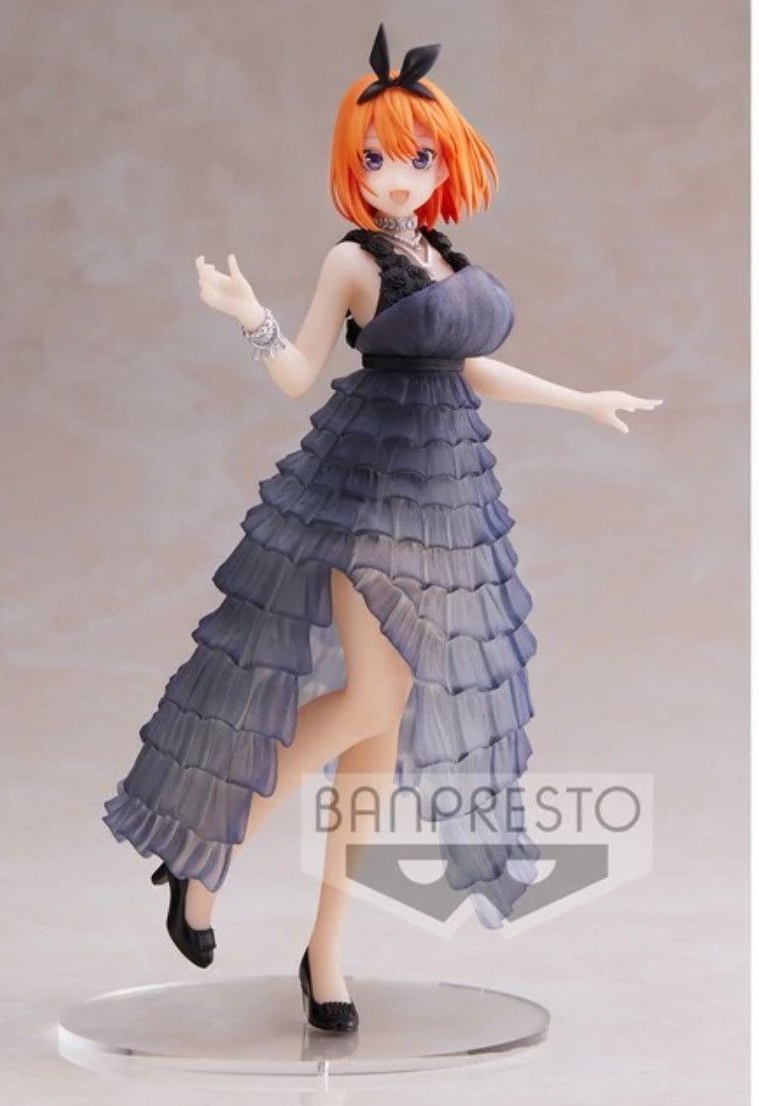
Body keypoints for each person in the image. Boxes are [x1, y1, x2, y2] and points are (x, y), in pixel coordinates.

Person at [102, 22, 662, 1033]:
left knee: (381, 727)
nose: (396, 176)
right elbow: (297, 374)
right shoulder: (353, 259)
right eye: (374, 159)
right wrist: (246, 312)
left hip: (443, 500)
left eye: (417, 157)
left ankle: (325, 952)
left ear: (445, 162)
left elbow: (468, 366)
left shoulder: (440, 253)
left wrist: (579, 399)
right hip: (365, 490)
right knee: (369, 697)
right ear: (351, 167)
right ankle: (202, 849)